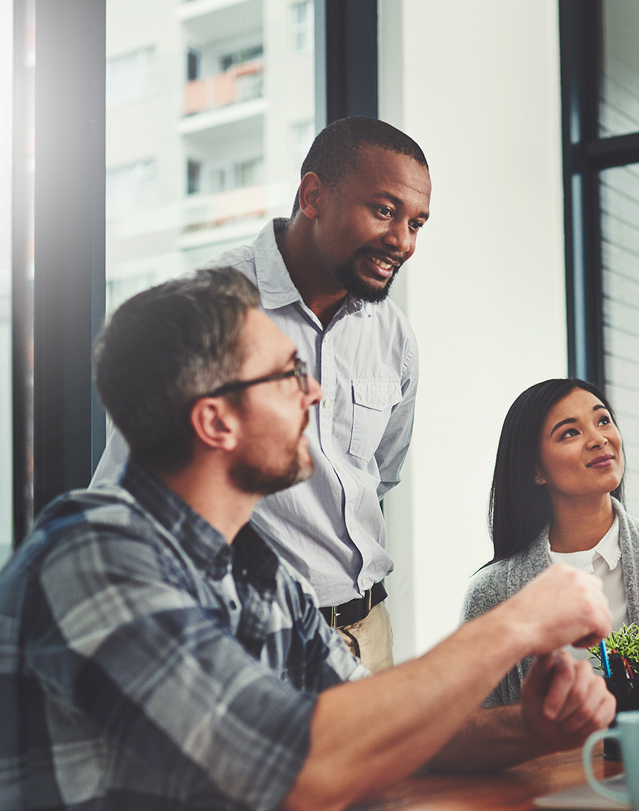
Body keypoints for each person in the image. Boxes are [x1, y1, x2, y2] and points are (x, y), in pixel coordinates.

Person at [0, 269, 616, 811]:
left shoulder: (256, 564)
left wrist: (528, 730)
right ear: (215, 420)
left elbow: (375, 725)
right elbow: (300, 768)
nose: (316, 392)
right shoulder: (94, 556)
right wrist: (517, 623)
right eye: (289, 373)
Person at [91, 117, 429, 672]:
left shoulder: (392, 335)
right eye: (385, 211)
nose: (403, 241)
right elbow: (133, 489)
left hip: (370, 628)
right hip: (246, 633)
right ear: (313, 195)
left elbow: (379, 473)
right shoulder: (212, 309)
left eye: (417, 222)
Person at [463, 378, 639, 714]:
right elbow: (476, 717)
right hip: (546, 767)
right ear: (536, 470)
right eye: (570, 432)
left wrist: (626, 711)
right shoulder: (491, 592)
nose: (598, 439)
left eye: (603, 420)